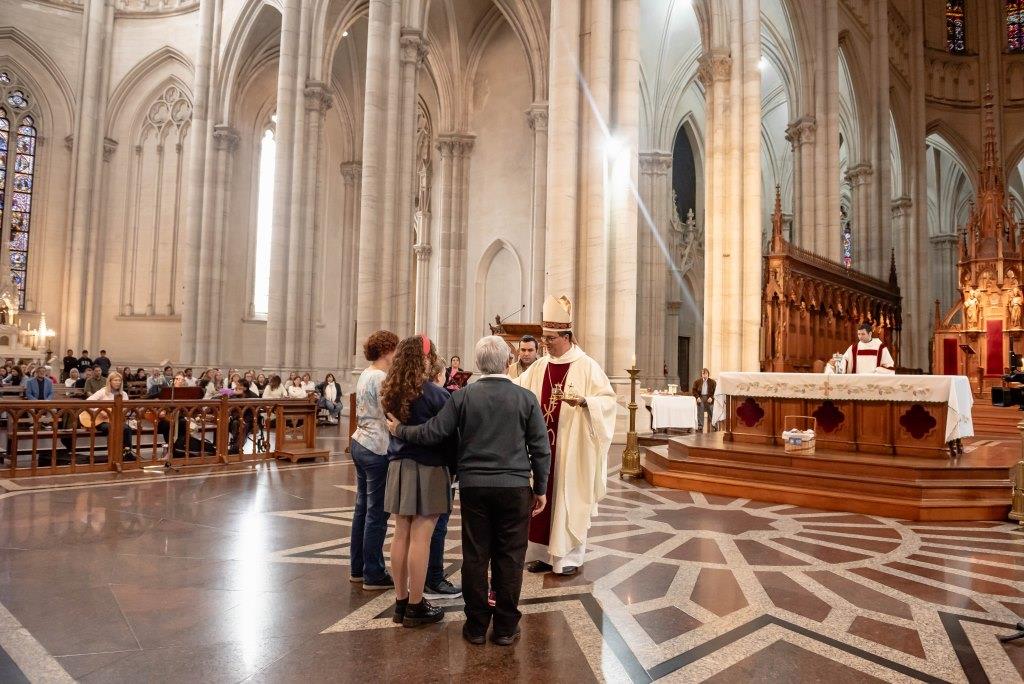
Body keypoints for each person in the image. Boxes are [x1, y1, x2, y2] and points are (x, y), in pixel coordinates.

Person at [386, 335, 550, 645]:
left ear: (477, 365)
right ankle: (504, 628)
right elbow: (540, 448)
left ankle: (475, 627)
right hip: (515, 487)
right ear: (507, 362)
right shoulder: (525, 398)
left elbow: (434, 432)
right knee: (510, 558)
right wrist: (540, 487)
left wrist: (399, 430)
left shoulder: (463, 396)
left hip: (474, 487)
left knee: (475, 556)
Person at [514, 295, 617, 576]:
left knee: (567, 499)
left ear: (567, 335)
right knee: (542, 497)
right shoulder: (540, 366)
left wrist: (586, 402)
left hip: (572, 448)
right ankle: (541, 554)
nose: (546, 344)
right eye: (544, 338)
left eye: (551, 339)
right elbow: (517, 390)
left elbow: (608, 401)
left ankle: (568, 557)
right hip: (542, 447)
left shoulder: (586, 366)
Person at [380, 335, 455, 627]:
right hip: (430, 468)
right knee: (422, 537)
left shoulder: (390, 391)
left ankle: (400, 602)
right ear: (425, 359)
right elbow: (448, 436)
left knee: (400, 534)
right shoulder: (436, 395)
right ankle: (416, 605)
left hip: (398, 466)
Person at [350, 330, 400, 591]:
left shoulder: (365, 373)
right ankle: (373, 573)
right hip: (377, 447)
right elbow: (390, 414)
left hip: (359, 442)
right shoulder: (381, 377)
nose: (396, 355)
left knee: (362, 509)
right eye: (394, 350)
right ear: (385, 351)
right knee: (377, 513)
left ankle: (357, 568)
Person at [85, 372, 137, 461]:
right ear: (110, 381)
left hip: (115, 420)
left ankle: (127, 452)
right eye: (115, 380)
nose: (118, 382)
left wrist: (126, 412)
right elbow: (87, 402)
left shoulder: (123, 394)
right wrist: (99, 410)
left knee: (126, 428)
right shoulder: (102, 392)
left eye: (120, 380)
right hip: (101, 421)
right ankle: (113, 455)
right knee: (112, 428)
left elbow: (126, 412)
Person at [828, 322, 895, 375]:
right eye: (859, 334)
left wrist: (878, 372)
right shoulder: (854, 348)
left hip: (874, 382)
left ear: (870, 334)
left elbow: (888, 366)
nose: (860, 336)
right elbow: (845, 361)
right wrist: (837, 362)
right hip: (857, 381)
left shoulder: (880, 348)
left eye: (863, 334)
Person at [691, 368, 716, 432]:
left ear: (708, 374)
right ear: (701, 374)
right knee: (700, 406)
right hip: (701, 397)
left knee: (711, 407)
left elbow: (715, 391)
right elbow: (694, 391)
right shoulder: (697, 382)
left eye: (706, 374)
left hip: (709, 397)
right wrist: (697, 397)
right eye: (703, 373)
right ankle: (700, 425)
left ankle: (714, 424)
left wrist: (711, 397)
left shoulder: (713, 382)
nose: (704, 375)